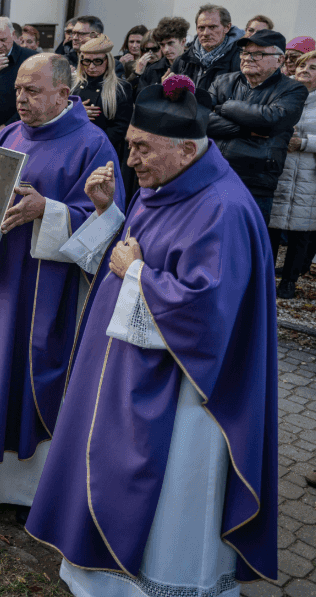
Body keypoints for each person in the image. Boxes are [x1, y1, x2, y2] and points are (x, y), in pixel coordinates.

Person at [25, 74, 278, 597]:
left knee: (168, 498)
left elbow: (207, 314)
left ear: (186, 148)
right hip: (126, 368)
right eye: (130, 144)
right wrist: (107, 213)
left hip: (184, 393)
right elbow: (129, 249)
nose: (131, 158)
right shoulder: (164, 182)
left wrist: (138, 275)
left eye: (143, 148)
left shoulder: (223, 209)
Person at [0, 54, 123, 517]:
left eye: (32, 91)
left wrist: (49, 210)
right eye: (18, 89)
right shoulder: (7, 134)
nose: (20, 98)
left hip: (40, 290)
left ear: (63, 93)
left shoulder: (92, 145)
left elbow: (108, 223)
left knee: (23, 373)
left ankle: (23, 489)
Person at [207, 29, 307, 225]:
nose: (248, 58)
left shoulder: (293, 89)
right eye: (245, 52)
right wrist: (246, 129)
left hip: (255, 182)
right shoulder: (223, 81)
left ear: (280, 60)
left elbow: (271, 121)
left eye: (258, 54)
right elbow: (200, 118)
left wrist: (225, 107)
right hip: (213, 174)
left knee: (246, 239)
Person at [268, 51, 316, 300]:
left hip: (310, 175)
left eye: (313, 67)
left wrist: (304, 142)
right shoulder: (282, 93)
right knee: (271, 226)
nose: (305, 70)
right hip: (280, 168)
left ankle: (289, 280)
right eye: (301, 65)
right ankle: (265, 276)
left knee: (301, 230)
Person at [72, 35, 134, 194]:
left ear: (108, 61)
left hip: (104, 153)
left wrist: (94, 145)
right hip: (74, 152)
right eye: (86, 61)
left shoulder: (120, 88)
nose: (91, 66)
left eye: (98, 61)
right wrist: (77, 113)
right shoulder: (74, 86)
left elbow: (121, 127)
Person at [171, 4, 244, 89]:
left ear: (227, 27)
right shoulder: (182, 61)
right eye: (201, 28)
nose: (206, 33)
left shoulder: (241, 60)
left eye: (212, 27)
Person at [136, 17, 189, 90]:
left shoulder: (195, 67)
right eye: (162, 45)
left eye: (170, 43)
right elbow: (141, 96)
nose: (166, 49)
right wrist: (161, 88)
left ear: (183, 42)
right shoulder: (151, 70)